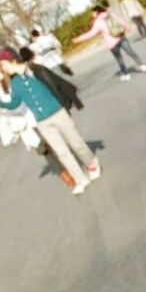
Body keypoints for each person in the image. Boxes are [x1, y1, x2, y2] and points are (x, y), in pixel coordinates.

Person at [0, 47, 100, 194]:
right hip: (42, 122)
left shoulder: (33, 69)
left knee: (76, 143)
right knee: (62, 153)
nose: (2, 69)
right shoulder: (14, 84)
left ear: (12, 60)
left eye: (2, 65)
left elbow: (54, 82)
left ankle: (91, 163)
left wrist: (68, 102)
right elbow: (14, 103)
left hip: (58, 112)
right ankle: (81, 179)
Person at [74, 4, 146, 81]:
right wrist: (127, 27)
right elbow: (120, 21)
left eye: (93, 13)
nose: (92, 15)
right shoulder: (110, 14)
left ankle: (126, 74)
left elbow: (91, 33)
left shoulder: (98, 22)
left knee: (119, 59)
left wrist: (79, 39)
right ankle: (142, 65)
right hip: (121, 37)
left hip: (111, 43)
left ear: (97, 12)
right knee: (131, 52)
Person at [17, 47, 83, 113]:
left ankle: (73, 105)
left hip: (49, 85)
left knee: (66, 90)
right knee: (66, 90)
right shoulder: (36, 63)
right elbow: (48, 78)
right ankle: (76, 106)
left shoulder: (28, 67)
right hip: (52, 82)